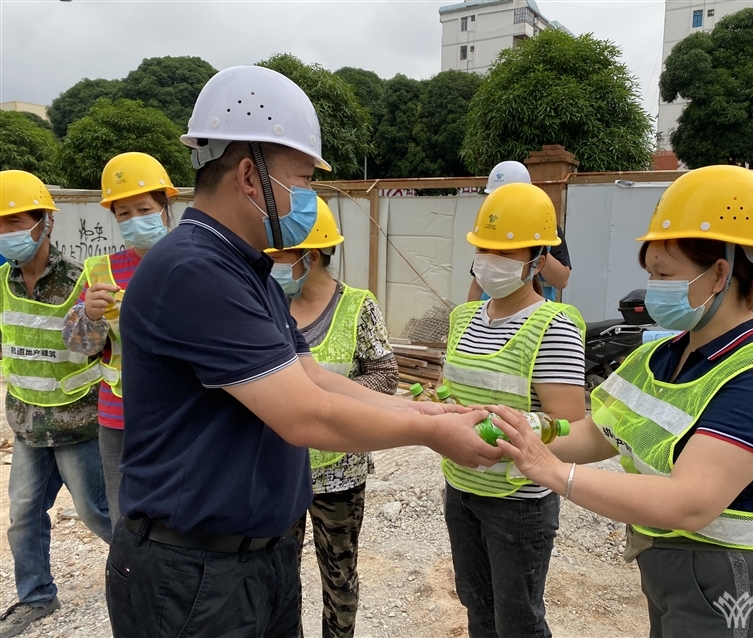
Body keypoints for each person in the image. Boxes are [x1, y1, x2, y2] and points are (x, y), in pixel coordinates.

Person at [105, 65, 501, 638]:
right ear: (249, 176)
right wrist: (433, 435)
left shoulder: (250, 273)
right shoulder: (194, 270)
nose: (310, 198)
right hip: (194, 574)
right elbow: (304, 415)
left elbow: (314, 378)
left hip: (253, 560)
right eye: (304, 179)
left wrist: (430, 411)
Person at [487, 165, 753, 638]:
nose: (654, 286)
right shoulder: (664, 355)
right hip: (671, 569)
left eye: (664, 273)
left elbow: (689, 502)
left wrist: (552, 471)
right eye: (651, 272)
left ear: (719, 274)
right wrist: (519, 436)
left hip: (734, 583)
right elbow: (599, 432)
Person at [443, 182, 587, 637]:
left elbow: (570, 426)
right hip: (460, 488)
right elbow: (452, 395)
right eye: (483, 249)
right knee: (477, 607)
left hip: (518, 504)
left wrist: (504, 430)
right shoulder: (463, 318)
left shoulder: (553, 327)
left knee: (518, 620)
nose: (490, 260)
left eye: (505, 252)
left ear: (538, 260)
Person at [266, 198, 398, 638]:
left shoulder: (357, 305)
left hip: (340, 472)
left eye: (278, 254)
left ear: (311, 256)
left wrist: (326, 400)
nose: (270, 263)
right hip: (280, 469)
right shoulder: (268, 304)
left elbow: (385, 374)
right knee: (278, 574)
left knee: (339, 576)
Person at [0, 170, 112, 638]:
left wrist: (91, 316)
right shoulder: (1, 281)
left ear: (44, 222)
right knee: (23, 516)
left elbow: (94, 345)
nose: (6, 233)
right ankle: (36, 596)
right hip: (26, 422)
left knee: (96, 512)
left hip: (77, 423)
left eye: (14, 221)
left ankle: (149, 574)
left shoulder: (80, 280)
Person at [62, 152, 178, 532]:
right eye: (123, 213)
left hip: (181, 412)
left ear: (165, 207)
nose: (134, 220)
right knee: (124, 517)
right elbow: (80, 344)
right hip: (119, 416)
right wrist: (91, 315)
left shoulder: (194, 259)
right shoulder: (102, 271)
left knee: (180, 513)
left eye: (143, 209)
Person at [467, 161, 571, 303]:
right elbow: (477, 285)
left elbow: (561, 281)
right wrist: (472, 314)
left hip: (535, 313)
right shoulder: (490, 229)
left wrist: (537, 247)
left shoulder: (547, 230)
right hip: (488, 311)